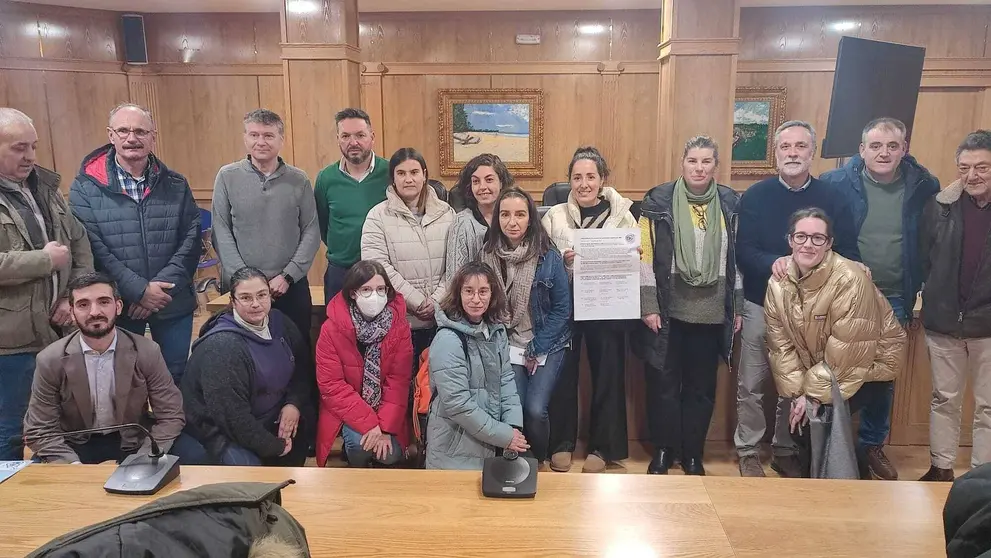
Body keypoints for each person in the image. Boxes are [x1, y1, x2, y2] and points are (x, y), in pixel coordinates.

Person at [734, 120, 862, 478]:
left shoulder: (833, 198)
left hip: (815, 312)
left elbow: (849, 250)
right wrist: (770, 262)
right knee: (753, 382)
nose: (792, 153)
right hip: (763, 302)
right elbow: (743, 251)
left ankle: (785, 447)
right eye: (785, 147)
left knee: (797, 383)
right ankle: (747, 449)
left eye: (800, 146)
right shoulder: (756, 196)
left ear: (812, 152)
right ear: (776, 154)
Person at [820, 116, 939, 480]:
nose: (883, 152)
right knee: (835, 366)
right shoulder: (834, 182)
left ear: (904, 149)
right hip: (843, 293)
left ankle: (871, 445)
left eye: (892, 146)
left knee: (884, 375)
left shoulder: (923, 185)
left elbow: (931, 239)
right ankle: (830, 444)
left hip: (896, 295)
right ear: (861, 150)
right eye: (875, 145)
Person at [764, 208, 906, 477]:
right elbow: (781, 347)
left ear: (829, 244)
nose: (808, 244)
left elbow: (848, 353)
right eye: (801, 236)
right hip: (826, 367)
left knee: (818, 417)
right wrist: (799, 394)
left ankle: (846, 481)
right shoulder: (777, 283)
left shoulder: (850, 279)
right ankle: (811, 478)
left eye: (818, 238)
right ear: (790, 240)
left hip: (869, 366)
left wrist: (812, 395)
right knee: (804, 419)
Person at [69, 103, 200, 386]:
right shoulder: (85, 187)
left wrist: (156, 291)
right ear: (111, 135)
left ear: (153, 136)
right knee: (125, 381)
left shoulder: (176, 183)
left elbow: (191, 238)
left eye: (141, 131)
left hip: (171, 299)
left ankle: (172, 430)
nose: (132, 138)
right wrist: (139, 291)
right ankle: (133, 431)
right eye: (124, 130)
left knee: (175, 376)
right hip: (120, 304)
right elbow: (92, 246)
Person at [637, 136, 742, 476]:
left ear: (716, 166)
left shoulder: (729, 203)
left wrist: (736, 306)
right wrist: (648, 303)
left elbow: (736, 260)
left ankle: (693, 454)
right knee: (663, 386)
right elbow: (645, 256)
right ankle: (665, 450)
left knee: (701, 389)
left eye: (706, 161)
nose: (699, 168)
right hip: (668, 310)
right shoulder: (658, 200)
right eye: (693, 161)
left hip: (711, 312)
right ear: (682, 163)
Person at [0, 107, 93, 461]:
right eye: (19, 148)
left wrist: (75, 294)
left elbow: (78, 240)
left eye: (33, 147)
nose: (31, 157)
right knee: (10, 428)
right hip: (11, 341)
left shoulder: (44, 186)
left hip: (57, 329)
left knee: (55, 423)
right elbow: (54, 254)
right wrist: (44, 261)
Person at [23, 272, 186, 464]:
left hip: (132, 439)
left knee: (193, 453)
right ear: (72, 313)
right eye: (83, 305)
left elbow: (171, 415)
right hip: (74, 442)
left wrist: (144, 459)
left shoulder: (147, 351)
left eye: (103, 302)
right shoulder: (50, 359)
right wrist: (72, 466)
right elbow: (40, 429)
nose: (94, 312)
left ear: (118, 307)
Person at [541, 146, 636, 473]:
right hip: (564, 305)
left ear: (602, 179)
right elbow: (541, 260)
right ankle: (561, 443)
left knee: (608, 374)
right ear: (569, 181)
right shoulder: (554, 215)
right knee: (562, 373)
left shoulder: (624, 215)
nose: (583, 184)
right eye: (577, 177)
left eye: (590, 177)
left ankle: (602, 447)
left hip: (609, 306)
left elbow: (638, 261)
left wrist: (631, 259)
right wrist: (562, 262)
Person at [178, 267, 313, 466]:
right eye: (246, 298)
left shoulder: (281, 323)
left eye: (261, 295)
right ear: (233, 302)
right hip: (220, 431)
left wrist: (292, 404)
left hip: (268, 416)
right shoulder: (222, 346)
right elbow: (233, 418)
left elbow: (303, 372)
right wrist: (274, 446)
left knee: (306, 422)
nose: (256, 304)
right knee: (250, 471)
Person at [212, 109, 320, 346]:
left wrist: (288, 276)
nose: (261, 142)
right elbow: (220, 230)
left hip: (289, 286)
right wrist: (248, 281)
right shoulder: (227, 176)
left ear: (281, 140)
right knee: (247, 352)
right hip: (244, 290)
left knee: (298, 349)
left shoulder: (299, 179)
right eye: (254, 135)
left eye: (269, 135)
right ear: (245, 138)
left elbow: (311, 231)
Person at [918, 130, 991, 482]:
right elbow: (924, 258)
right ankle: (941, 467)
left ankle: (981, 477)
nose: (972, 176)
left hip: (988, 326)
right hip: (944, 320)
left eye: (982, 167)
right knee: (944, 399)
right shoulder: (940, 206)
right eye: (965, 167)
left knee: (988, 407)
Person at [481, 187, 571, 467]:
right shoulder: (487, 255)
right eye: (505, 215)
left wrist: (536, 347)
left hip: (548, 340)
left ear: (531, 219)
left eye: (520, 214)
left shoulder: (548, 256)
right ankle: (523, 461)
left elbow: (562, 310)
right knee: (515, 409)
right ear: (497, 219)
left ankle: (539, 459)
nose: (513, 222)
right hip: (507, 341)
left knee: (535, 409)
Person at [425, 261, 526, 469]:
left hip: (491, 440)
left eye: (483, 291)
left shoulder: (496, 331)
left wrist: (513, 426)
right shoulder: (448, 339)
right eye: (469, 291)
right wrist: (503, 435)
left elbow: (506, 381)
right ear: (458, 293)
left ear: (492, 294)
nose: (476, 299)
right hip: (454, 447)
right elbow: (457, 403)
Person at [361, 147, 455, 371]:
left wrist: (435, 302)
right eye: (401, 173)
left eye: (414, 172)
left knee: (436, 390)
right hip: (399, 321)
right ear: (393, 179)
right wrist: (415, 301)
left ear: (424, 175)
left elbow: (456, 264)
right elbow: (377, 266)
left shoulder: (447, 213)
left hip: (441, 320)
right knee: (402, 390)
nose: (408, 179)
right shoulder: (377, 216)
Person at [314, 260, 413, 468]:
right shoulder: (330, 330)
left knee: (391, 453)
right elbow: (332, 387)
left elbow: (399, 381)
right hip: (347, 408)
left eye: (380, 289)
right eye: (366, 290)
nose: (374, 296)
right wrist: (370, 424)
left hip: (386, 408)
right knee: (360, 446)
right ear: (352, 293)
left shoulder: (399, 326)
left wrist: (385, 427)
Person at [314, 108, 389, 305]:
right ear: (338, 139)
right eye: (346, 136)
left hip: (382, 271)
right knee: (339, 331)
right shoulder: (326, 178)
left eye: (360, 135)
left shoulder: (391, 173)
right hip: (340, 271)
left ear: (372, 137)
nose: (353, 142)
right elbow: (322, 224)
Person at [444, 153, 514, 281]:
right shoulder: (462, 223)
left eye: (489, 180)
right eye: (476, 181)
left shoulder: (514, 219)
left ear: (501, 182)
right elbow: (454, 280)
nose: (482, 187)